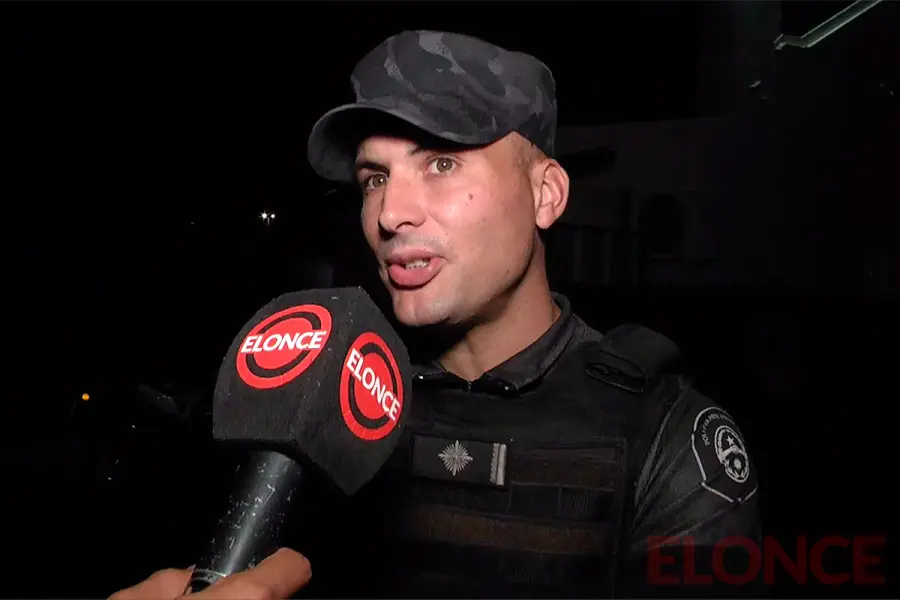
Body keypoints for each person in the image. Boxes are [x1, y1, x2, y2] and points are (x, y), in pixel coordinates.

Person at [110, 30, 762, 599]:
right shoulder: (332, 404)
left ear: (546, 194)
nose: (390, 214)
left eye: (441, 163)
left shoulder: (666, 441)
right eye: (374, 178)